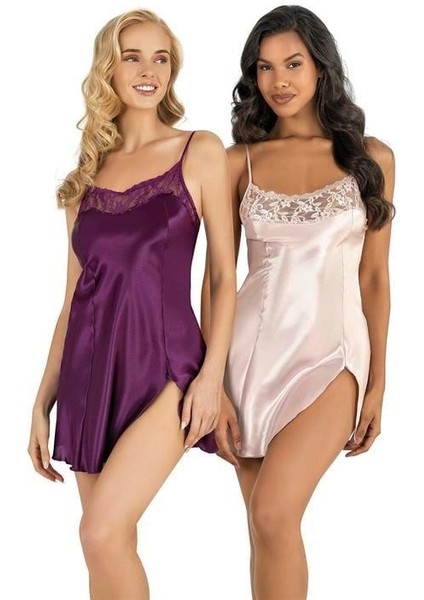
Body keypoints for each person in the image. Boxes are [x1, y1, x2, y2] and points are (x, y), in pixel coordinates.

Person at [27, 9, 235, 599]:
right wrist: (41, 401)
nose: (149, 70)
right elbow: (72, 301)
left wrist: (212, 377)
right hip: (91, 374)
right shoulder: (84, 180)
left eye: (160, 58)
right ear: (107, 69)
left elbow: (224, 275)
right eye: (132, 56)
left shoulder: (199, 150)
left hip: (169, 367)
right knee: (105, 545)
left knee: (100, 532)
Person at [203, 5, 395, 599]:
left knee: (273, 514)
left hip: (333, 357)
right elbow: (217, 278)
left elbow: (374, 278)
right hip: (246, 363)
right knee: (264, 529)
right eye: (264, 68)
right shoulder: (236, 162)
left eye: (293, 64)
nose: (278, 81)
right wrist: (212, 384)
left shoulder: (372, 158)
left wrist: (378, 383)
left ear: (321, 68)